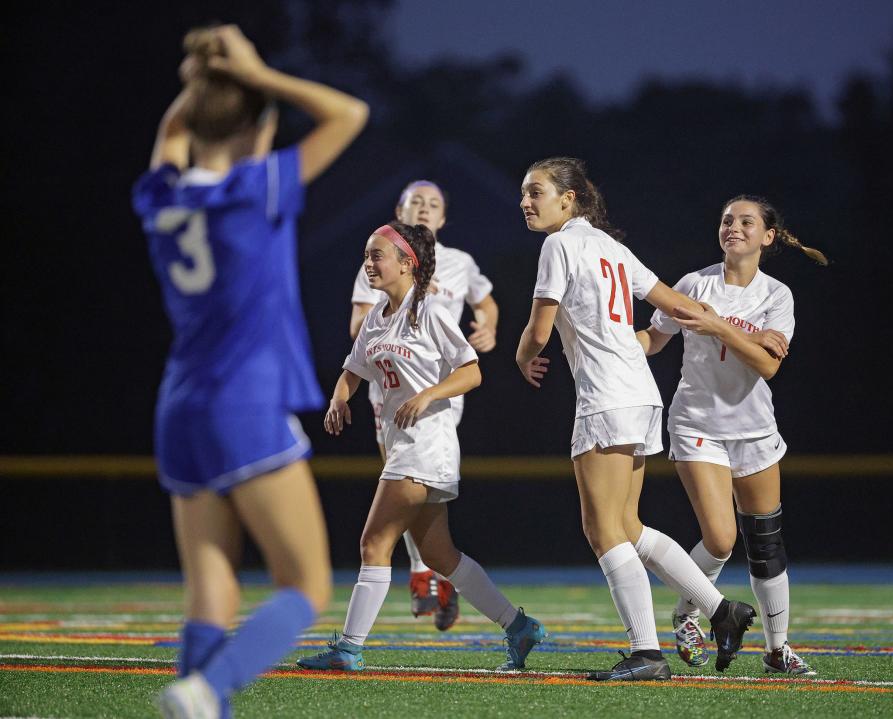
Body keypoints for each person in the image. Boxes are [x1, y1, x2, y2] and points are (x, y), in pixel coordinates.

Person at [132, 25, 368, 718]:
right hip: (246, 402)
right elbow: (349, 114)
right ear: (259, 127)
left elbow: (176, 134)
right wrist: (256, 74)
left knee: (210, 583)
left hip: (180, 406)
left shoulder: (160, 198)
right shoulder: (254, 188)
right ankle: (209, 687)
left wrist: (201, 81)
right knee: (306, 583)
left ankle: (199, 698)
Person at [516, 157, 756, 680]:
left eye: (536, 192)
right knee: (627, 525)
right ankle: (721, 610)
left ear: (569, 198)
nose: (526, 202)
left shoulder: (559, 244)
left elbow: (539, 328)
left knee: (601, 529)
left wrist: (521, 355)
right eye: (524, 194)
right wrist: (744, 336)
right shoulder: (612, 248)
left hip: (605, 396)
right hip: (643, 394)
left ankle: (647, 654)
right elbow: (679, 304)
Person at [298, 222, 545, 673]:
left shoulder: (428, 310)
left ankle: (349, 648)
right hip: (403, 446)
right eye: (366, 255)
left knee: (374, 542)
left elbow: (472, 372)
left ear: (407, 263)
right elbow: (353, 368)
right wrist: (338, 397)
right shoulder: (378, 314)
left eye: (377, 256)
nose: (368, 264)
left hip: (425, 445)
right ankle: (518, 626)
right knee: (438, 555)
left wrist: (429, 394)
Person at [637, 195, 827, 675]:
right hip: (697, 423)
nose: (733, 227)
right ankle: (688, 609)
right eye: (726, 220)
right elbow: (653, 340)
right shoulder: (693, 284)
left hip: (754, 429)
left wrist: (716, 324)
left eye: (746, 221)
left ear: (767, 237)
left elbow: (766, 366)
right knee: (721, 539)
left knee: (765, 542)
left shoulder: (776, 296)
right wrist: (598, 344)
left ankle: (777, 649)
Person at [349, 180, 498, 631]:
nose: (425, 209)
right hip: (389, 390)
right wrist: (393, 301)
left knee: (396, 501)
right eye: (416, 202)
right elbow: (358, 325)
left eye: (434, 203)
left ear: (444, 218)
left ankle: (419, 578)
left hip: (437, 389)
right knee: (407, 497)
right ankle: (436, 573)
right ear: (399, 209)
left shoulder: (458, 265)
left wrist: (488, 327)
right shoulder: (380, 262)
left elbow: (486, 307)